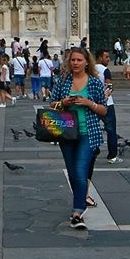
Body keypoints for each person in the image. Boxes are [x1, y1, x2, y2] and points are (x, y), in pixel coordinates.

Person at [45, 48, 110, 230]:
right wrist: (63, 103)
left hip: (88, 133)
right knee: (73, 173)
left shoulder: (95, 83)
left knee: (81, 171)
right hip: (67, 132)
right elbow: (52, 103)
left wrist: (89, 103)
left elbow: (104, 110)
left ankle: (77, 211)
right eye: (73, 60)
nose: (75, 63)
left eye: (79, 60)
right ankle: (80, 201)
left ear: (86, 62)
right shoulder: (63, 81)